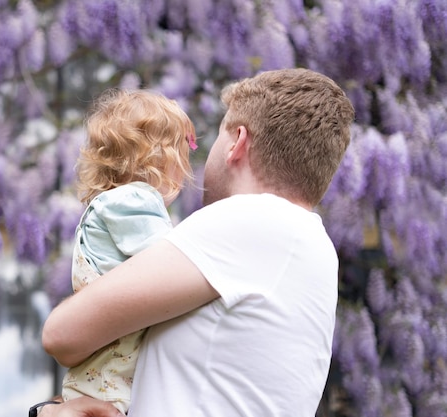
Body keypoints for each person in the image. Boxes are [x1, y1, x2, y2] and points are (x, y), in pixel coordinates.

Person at [38, 68, 355, 417]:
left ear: (237, 142)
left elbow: (62, 334)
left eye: (215, 136)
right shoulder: (306, 244)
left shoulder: (251, 221)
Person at [58, 88, 197, 414]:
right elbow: (169, 265)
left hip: (97, 374)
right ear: (162, 159)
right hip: (113, 381)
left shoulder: (106, 205)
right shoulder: (134, 201)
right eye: (184, 154)